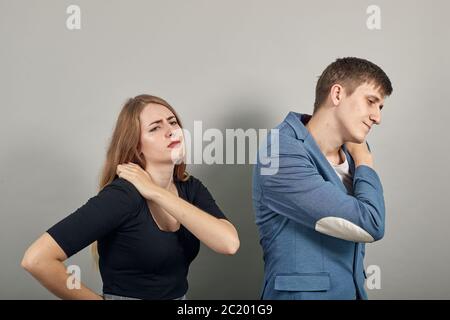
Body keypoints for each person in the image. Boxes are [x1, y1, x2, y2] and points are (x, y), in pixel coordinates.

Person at [21, 94, 240, 300]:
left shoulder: (190, 188)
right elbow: (37, 259)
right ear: (136, 146)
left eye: (173, 122)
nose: (171, 131)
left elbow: (228, 243)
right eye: (155, 127)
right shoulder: (122, 197)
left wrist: (155, 192)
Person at [253, 57, 393, 299]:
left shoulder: (350, 153)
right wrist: (365, 162)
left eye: (380, 108)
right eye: (371, 102)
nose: (377, 117)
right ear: (337, 94)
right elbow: (370, 223)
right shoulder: (278, 153)